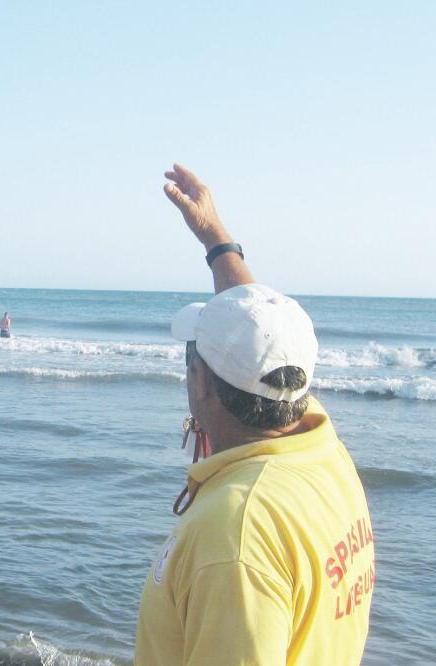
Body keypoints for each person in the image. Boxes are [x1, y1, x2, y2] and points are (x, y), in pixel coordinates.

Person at [134, 164, 375, 665]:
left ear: (201, 383)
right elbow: (262, 335)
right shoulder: (315, 441)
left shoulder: (235, 535)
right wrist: (217, 240)